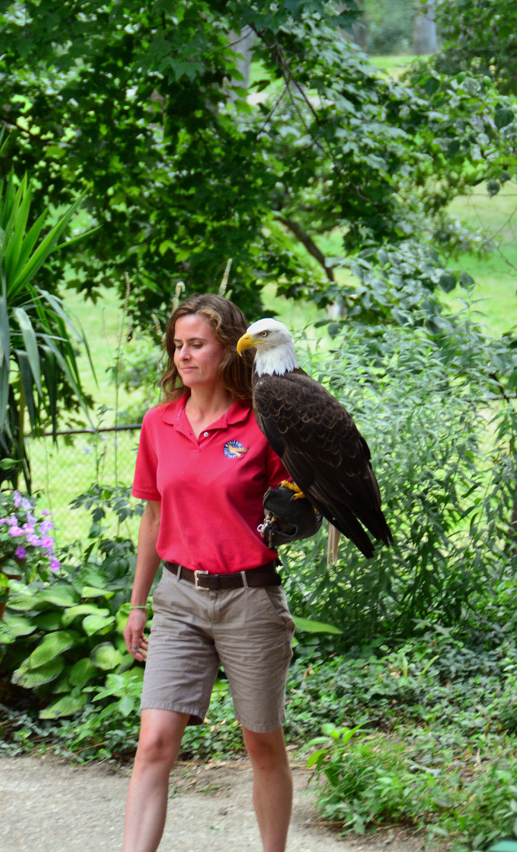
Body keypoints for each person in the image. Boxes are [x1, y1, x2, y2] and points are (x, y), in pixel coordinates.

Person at [123, 293, 296, 852]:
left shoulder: (264, 422)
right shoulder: (159, 423)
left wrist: (299, 515)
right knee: (153, 743)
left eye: (196, 344)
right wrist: (137, 602)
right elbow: (153, 517)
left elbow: (300, 502)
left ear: (228, 350)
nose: (183, 355)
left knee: (262, 746)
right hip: (178, 601)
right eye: (177, 345)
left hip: (250, 601)